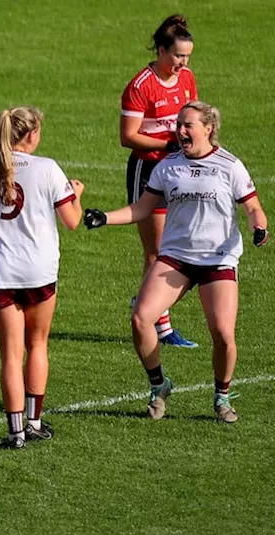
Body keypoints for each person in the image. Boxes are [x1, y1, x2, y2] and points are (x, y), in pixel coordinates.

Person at [84, 101, 267, 423]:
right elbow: (142, 208)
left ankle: (222, 397)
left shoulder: (229, 165)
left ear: (208, 129)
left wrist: (259, 226)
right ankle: (159, 385)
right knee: (141, 317)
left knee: (223, 333)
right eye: (179, 124)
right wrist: (105, 218)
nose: (180, 130)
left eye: (188, 125)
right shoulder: (168, 166)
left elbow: (252, 206)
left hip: (218, 259)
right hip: (176, 257)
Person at [0, 107, 85, 449]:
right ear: (31, 135)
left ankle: (15, 433)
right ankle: (35, 422)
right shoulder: (48, 169)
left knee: (10, 355)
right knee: (37, 344)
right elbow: (72, 220)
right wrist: (77, 194)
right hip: (39, 272)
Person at [119, 15, 200, 348]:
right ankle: (162, 328)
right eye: (178, 56)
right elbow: (128, 137)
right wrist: (168, 143)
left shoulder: (187, 78)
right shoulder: (141, 86)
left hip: (180, 172)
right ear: (162, 50)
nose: (183, 63)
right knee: (157, 253)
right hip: (149, 171)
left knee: (188, 249)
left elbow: (193, 117)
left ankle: (144, 304)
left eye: (187, 57)